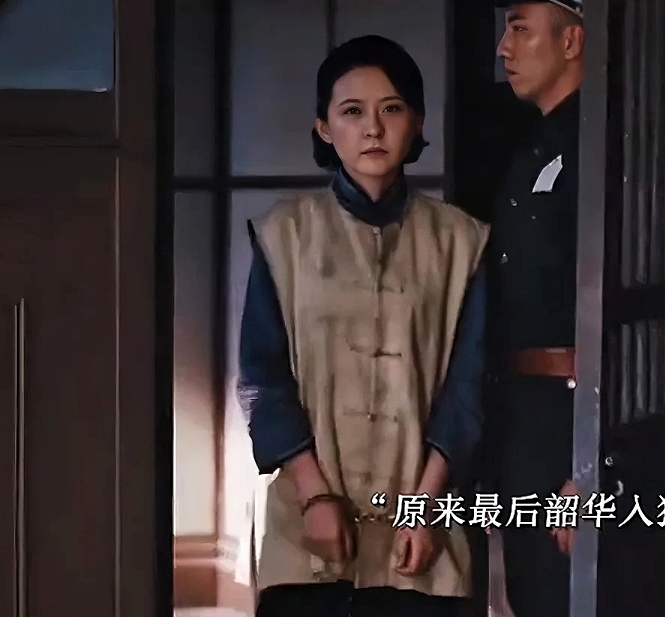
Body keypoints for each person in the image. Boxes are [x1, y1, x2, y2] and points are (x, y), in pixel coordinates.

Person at [236, 35, 489, 617]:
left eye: (391, 108)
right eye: (352, 111)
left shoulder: (461, 241)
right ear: (324, 128)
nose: (373, 128)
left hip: (423, 529)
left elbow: (468, 387)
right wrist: (314, 496)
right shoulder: (284, 234)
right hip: (309, 526)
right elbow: (263, 378)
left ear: (416, 121)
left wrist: (425, 508)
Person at [483, 2, 584, 616]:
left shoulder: (599, 144)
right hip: (524, 418)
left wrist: (590, 466)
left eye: (520, 28)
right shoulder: (530, 145)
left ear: (571, 41)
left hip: (575, 417)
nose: (504, 47)